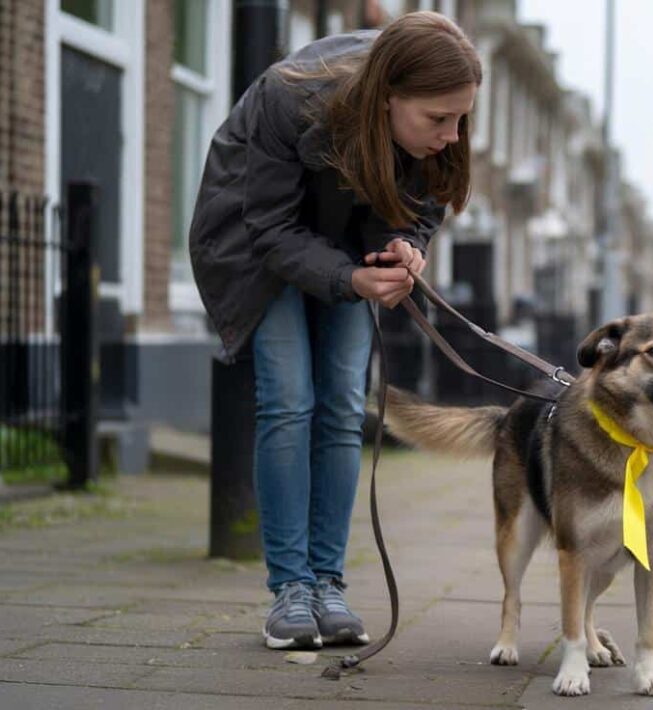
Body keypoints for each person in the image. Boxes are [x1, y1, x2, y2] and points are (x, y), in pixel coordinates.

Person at [189, 12, 480, 648]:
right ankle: (290, 590)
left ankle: (328, 584)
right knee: (290, 398)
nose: (452, 135)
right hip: (254, 243)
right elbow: (269, 227)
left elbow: (420, 205)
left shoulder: (437, 120)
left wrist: (403, 246)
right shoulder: (289, 98)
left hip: (346, 241)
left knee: (344, 403)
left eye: (461, 119)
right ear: (388, 96)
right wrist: (349, 280)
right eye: (438, 120)